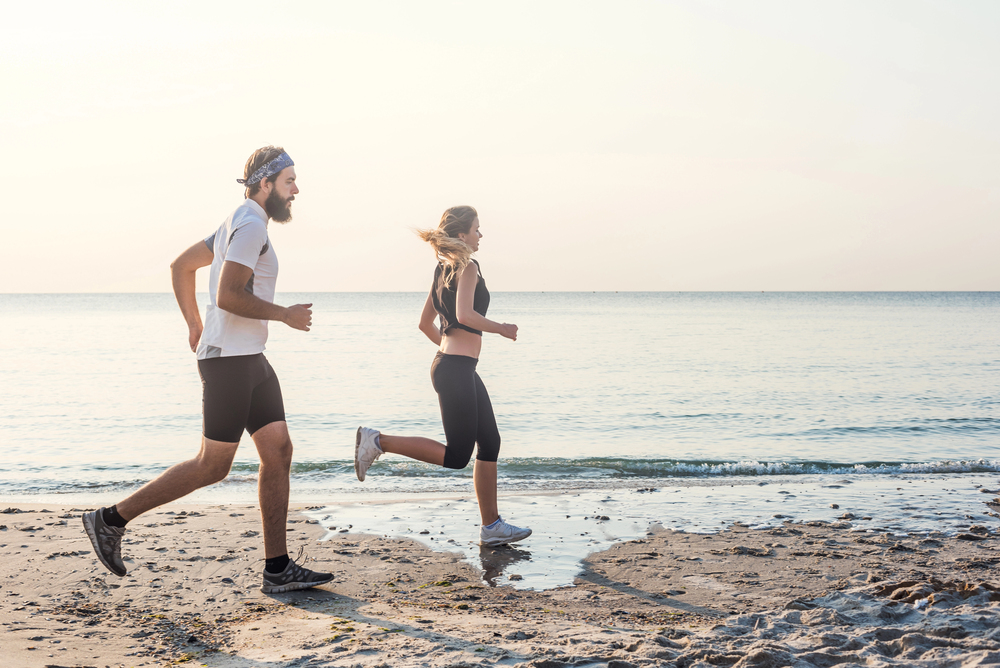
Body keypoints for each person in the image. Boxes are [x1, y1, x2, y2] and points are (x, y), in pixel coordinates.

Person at [82, 146, 333, 594]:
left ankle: (277, 568)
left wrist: (195, 326)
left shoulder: (237, 221)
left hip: (249, 357)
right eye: (290, 180)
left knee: (277, 450)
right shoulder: (250, 223)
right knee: (212, 465)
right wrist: (284, 315)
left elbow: (181, 267)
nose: (296, 189)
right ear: (266, 183)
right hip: (230, 363)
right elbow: (228, 294)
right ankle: (109, 519)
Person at [355, 205, 531, 547]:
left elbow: (425, 324)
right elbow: (466, 314)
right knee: (457, 456)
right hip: (454, 369)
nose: (481, 235)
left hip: (454, 367)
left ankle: (491, 526)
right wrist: (501, 329)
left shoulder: (442, 270)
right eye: (477, 229)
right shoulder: (467, 266)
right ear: (462, 234)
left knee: (490, 442)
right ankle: (377, 441)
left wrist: (452, 354)